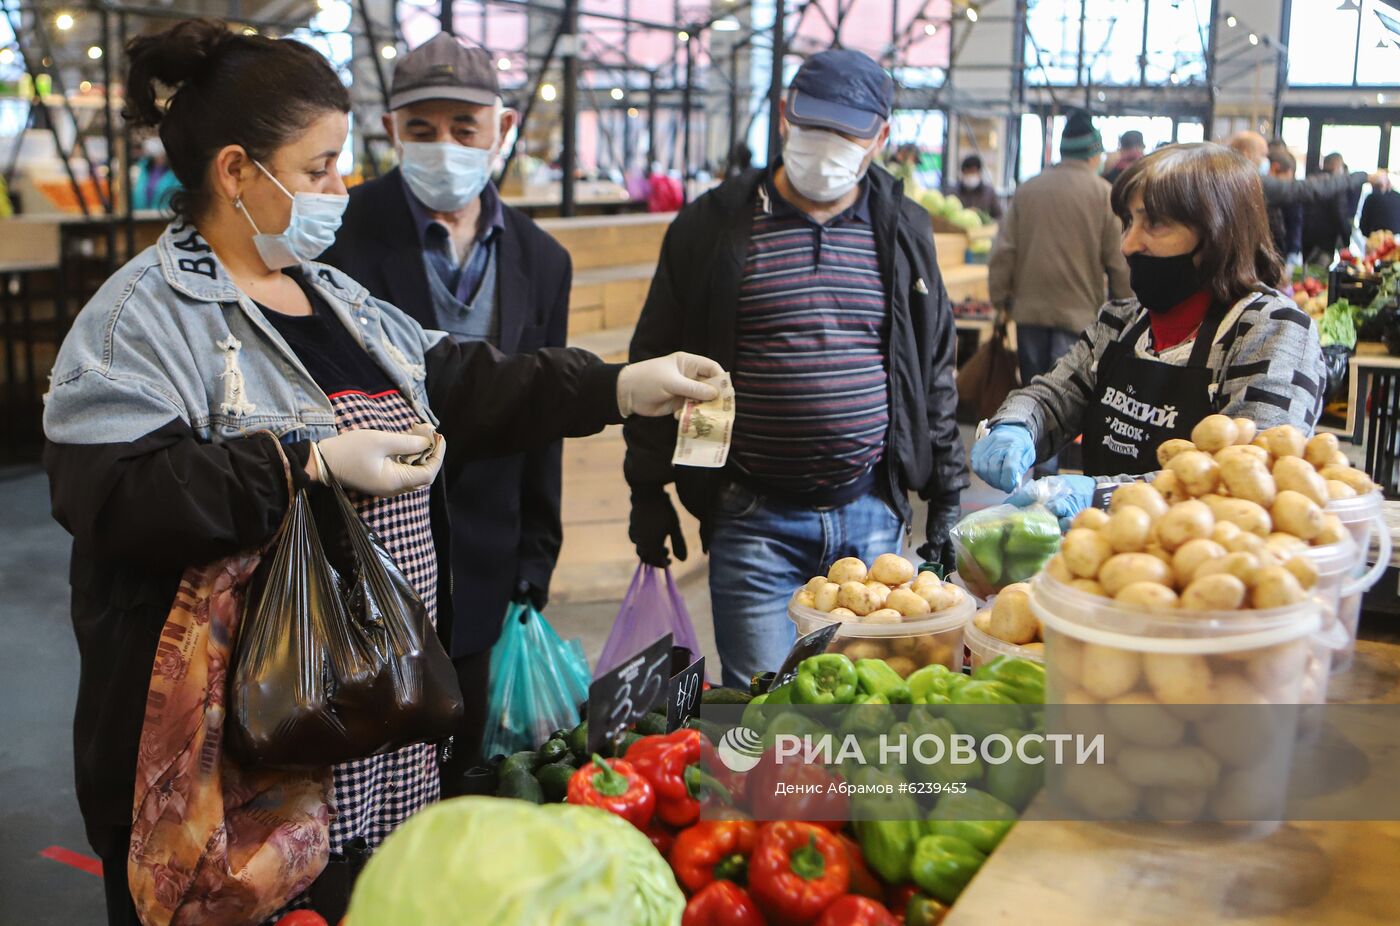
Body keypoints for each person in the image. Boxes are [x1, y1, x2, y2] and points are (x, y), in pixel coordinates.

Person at [44, 21, 720, 925]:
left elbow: (463, 381)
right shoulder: (140, 319)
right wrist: (304, 463)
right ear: (238, 172)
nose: (341, 189)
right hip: (233, 758)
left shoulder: (332, 296)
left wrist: (621, 385)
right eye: (319, 168)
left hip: (366, 731)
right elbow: (114, 498)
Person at [624, 49, 968, 689]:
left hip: (871, 515)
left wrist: (947, 493)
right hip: (754, 518)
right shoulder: (714, 226)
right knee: (766, 712)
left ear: (881, 138)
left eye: (849, 133)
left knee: (871, 702)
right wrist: (647, 486)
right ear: (785, 116)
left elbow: (933, 370)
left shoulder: (903, 230)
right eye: (815, 127)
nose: (828, 147)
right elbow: (658, 358)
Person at [319, 34, 568, 787]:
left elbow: (544, 410)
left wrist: (538, 551)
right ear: (391, 128)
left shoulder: (541, 257)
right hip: (368, 559)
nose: (445, 146)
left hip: (490, 554)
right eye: (422, 129)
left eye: (465, 128)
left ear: (502, 127)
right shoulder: (337, 232)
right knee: (370, 770)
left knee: (472, 763)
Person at [970, 143, 1326, 525]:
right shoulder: (1122, 322)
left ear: (1218, 230)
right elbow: (1054, 395)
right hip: (1102, 563)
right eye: (1129, 222)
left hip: (1201, 567)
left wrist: (1102, 496)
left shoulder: (1273, 331)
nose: (1128, 244)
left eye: (1154, 224)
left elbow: (1246, 478)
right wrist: (1018, 425)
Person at [987, 108, 1132, 478]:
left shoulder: (1029, 189)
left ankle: (1033, 473)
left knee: (1036, 396)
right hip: (1079, 318)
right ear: (1093, 155)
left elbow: (1004, 252)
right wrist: (1128, 311)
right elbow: (1117, 261)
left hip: (1030, 314)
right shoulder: (1104, 195)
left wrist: (1001, 301)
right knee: (1068, 400)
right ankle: (1052, 484)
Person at [1266, 149, 1304, 264]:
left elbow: (1295, 221)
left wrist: (1293, 250)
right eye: (1288, 177)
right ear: (1275, 168)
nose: (1288, 183)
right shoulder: (1262, 189)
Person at [956, 154, 1002, 220]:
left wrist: (981, 216)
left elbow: (1000, 217)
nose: (970, 176)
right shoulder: (954, 191)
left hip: (984, 229)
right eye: (967, 172)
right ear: (962, 173)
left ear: (979, 173)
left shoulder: (989, 193)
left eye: (973, 172)